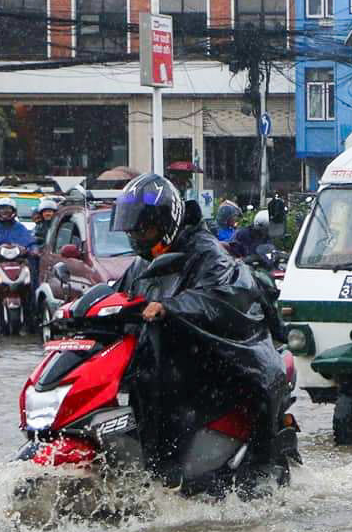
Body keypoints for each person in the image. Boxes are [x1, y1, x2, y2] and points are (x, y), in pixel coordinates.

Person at [109, 174, 290, 482]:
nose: (139, 239)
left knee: (171, 389)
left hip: (214, 358)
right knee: (142, 384)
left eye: (145, 230)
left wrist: (171, 307)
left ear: (167, 222)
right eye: (133, 232)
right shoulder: (142, 263)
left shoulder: (207, 253)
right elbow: (119, 297)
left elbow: (218, 297)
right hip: (165, 358)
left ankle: (257, 470)